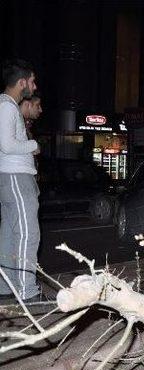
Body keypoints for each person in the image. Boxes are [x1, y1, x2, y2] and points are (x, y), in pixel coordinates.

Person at [0, 59, 41, 303]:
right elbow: (7, 145)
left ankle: (7, 288)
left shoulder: (6, 106)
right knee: (28, 233)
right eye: (32, 81)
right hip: (15, 178)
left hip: (9, 177)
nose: (34, 87)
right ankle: (28, 291)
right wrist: (34, 145)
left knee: (9, 235)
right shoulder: (7, 106)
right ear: (22, 82)